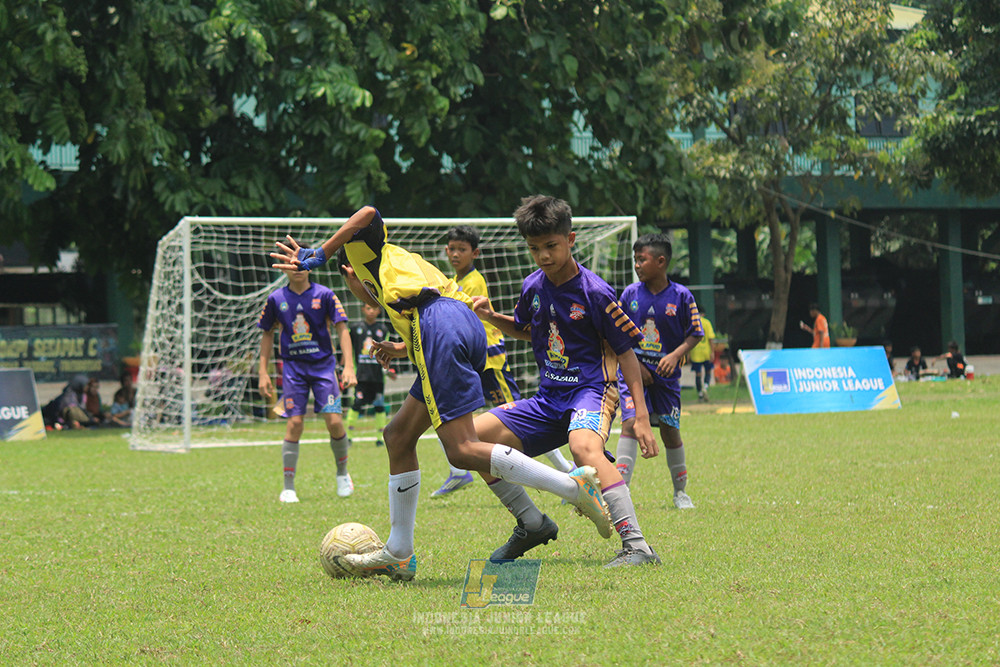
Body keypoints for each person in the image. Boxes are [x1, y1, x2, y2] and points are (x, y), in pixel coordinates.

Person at [270, 205, 620, 581]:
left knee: (462, 449)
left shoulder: (365, 254)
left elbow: (368, 214)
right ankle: (410, 550)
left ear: (348, 273)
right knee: (399, 435)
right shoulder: (399, 282)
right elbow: (431, 313)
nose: (363, 297)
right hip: (455, 324)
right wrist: (402, 348)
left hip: (440, 324)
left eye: (355, 288)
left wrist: (320, 253)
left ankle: (572, 486)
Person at [471, 195, 660, 567]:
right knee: (471, 441)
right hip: (548, 398)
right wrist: (491, 317)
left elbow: (627, 356)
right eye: (534, 248)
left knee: (583, 449)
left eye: (551, 246)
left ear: (570, 240)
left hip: (591, 392)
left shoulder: (595, 292)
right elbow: (529, 331)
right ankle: (532, 523)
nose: (543, 256)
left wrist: (638, 415)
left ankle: (637, 546)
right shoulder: (533, 286)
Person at [432, 225, 574, 498]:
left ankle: (564, 470)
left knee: (520, 419)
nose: (455, 254)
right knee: (450, 413)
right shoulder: (453, 280)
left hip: (489, 359)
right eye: (451, 249)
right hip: (471, 360)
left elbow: (465, 318)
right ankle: (459, 472)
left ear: (475, 253)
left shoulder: (473, 281)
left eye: (461, 249)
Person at [614, 233, 703, 511]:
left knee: (670, 431)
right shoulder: (630, 294)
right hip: (633, 373)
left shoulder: (681, 296)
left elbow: (695, 333)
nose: (637, 265)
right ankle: (620, 491)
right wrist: (636, 366)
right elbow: (617, 333)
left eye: (642, 259)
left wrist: (676, 355)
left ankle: (680, 493)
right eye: (635, 260)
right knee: (629, 424)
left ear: (661, 261)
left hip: (666, 379)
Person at [257, 259, 357, 503]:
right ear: (284, 269)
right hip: (293, 369)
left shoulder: (325, 295)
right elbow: (267, 334)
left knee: (334, 421)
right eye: (291, 265)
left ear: (310, 266)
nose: (297, 269)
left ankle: (343, 474)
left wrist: (349, 366)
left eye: (301, 263)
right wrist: (263, 372)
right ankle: (288, 487)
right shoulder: (275, 299)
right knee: (295, 424)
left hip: (324, 367)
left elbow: (342, 329)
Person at [347, 302, 392, 447]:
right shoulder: (354, 328)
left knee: (379, 406)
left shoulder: (383, 329)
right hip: (360, 376)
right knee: (357, 404)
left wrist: (390, 369)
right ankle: (348, 437)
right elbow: (348, 349)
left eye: (374, 308)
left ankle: (380, 438)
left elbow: (388, 352)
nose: (371, 311)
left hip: (377, 377)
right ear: (363, 309)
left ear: (379, 311)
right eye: (368, 308)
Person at [689, 313, 716, 402]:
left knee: (698, 373)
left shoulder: (692, 322)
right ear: (703, 313)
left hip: (695, 352)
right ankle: (705, 387)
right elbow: (710, 338)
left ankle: (700, 394)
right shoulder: (707, 323)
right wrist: (712, 351)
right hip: (706, 352)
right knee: (708, 371)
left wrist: (688, 353)